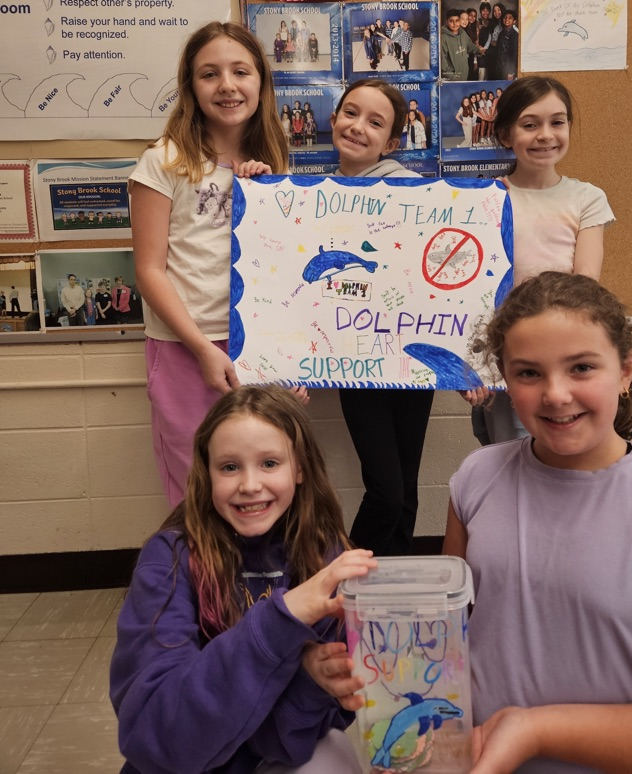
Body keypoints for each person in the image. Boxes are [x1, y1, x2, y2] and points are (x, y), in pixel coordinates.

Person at [443, 271, 632, 773]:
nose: (556, 394)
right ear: (504, 377)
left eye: (581, 367)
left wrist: (533, 730)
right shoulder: (476, 480)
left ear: (625, 370)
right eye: (528, 373)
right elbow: (449, 637)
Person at [110, 385, 377, 773]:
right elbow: (158, 738)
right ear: (207, 473)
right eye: (230, 467)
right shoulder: (167, 560)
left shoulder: (322, 556)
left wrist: (310, 682)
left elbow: (298, 733)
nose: (250, 485)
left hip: (274, 750)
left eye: (270, 463)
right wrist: (280, 619)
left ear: (299, 468)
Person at [128, 22, 303, 509]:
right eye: (210, 74)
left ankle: (262, 586)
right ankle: (206, 586)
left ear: (261, 83)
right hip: (188, 344)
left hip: (257, 343)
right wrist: (203, 348)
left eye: (240, 71)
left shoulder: (272, 160)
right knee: (199, 482)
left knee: (263, 481)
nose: (227, 85)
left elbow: (287, 263)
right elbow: (149, 270)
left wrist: (296, 357)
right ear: (191, 87)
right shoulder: (164, 161)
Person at [465, 76, 616, 444]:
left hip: (564, 352)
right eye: (530, 125)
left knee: (563, 450)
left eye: (557, 122)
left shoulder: (587, 198)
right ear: (505, 135)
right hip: (503, 355)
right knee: (511, 457)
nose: (545, 135)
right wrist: (471, 369)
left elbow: (586, 285)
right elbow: (469, 288)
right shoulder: (485, 198)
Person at [329, 79, 432, 557]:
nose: (358, 127)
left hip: (411, 355)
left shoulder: (412, 190)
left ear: (392, 143)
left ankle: (395, 591)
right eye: (350, 113)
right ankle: (338, 584)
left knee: (404, 489)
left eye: (375, 122)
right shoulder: (314, 194)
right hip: (358, 359)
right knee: (387, 491)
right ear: (333, 120)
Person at [441, 9, 485, 81]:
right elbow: (443, 63)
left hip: (464, 76)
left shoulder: (462, 33)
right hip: (452, 80)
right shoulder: (443, 38)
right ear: (447, 22)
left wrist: (479, 51)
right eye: (451, 21)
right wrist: (453, 77)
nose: (455, 24)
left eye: (457, 20)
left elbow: (470, 46)